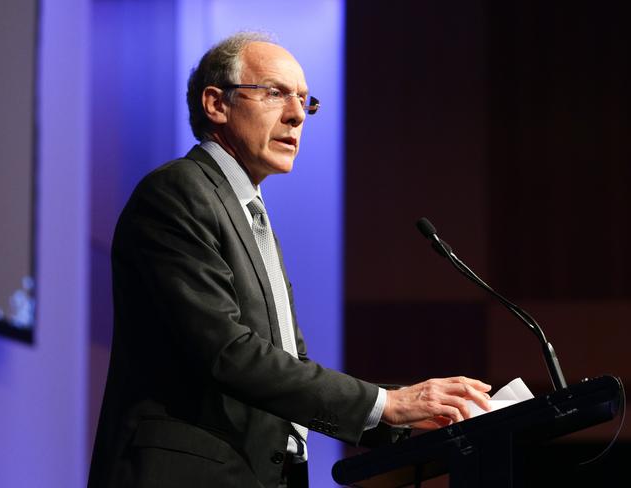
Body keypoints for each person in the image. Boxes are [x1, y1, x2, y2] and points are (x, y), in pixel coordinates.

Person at [88, 32, 492, 488]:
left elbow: (288, 366)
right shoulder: (177, 193)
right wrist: (387, 404)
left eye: (304, 100)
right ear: (216, 104)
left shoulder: (251, 217)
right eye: (275, 93)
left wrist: (408, 416)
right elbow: (227, 352)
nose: (298, 114)